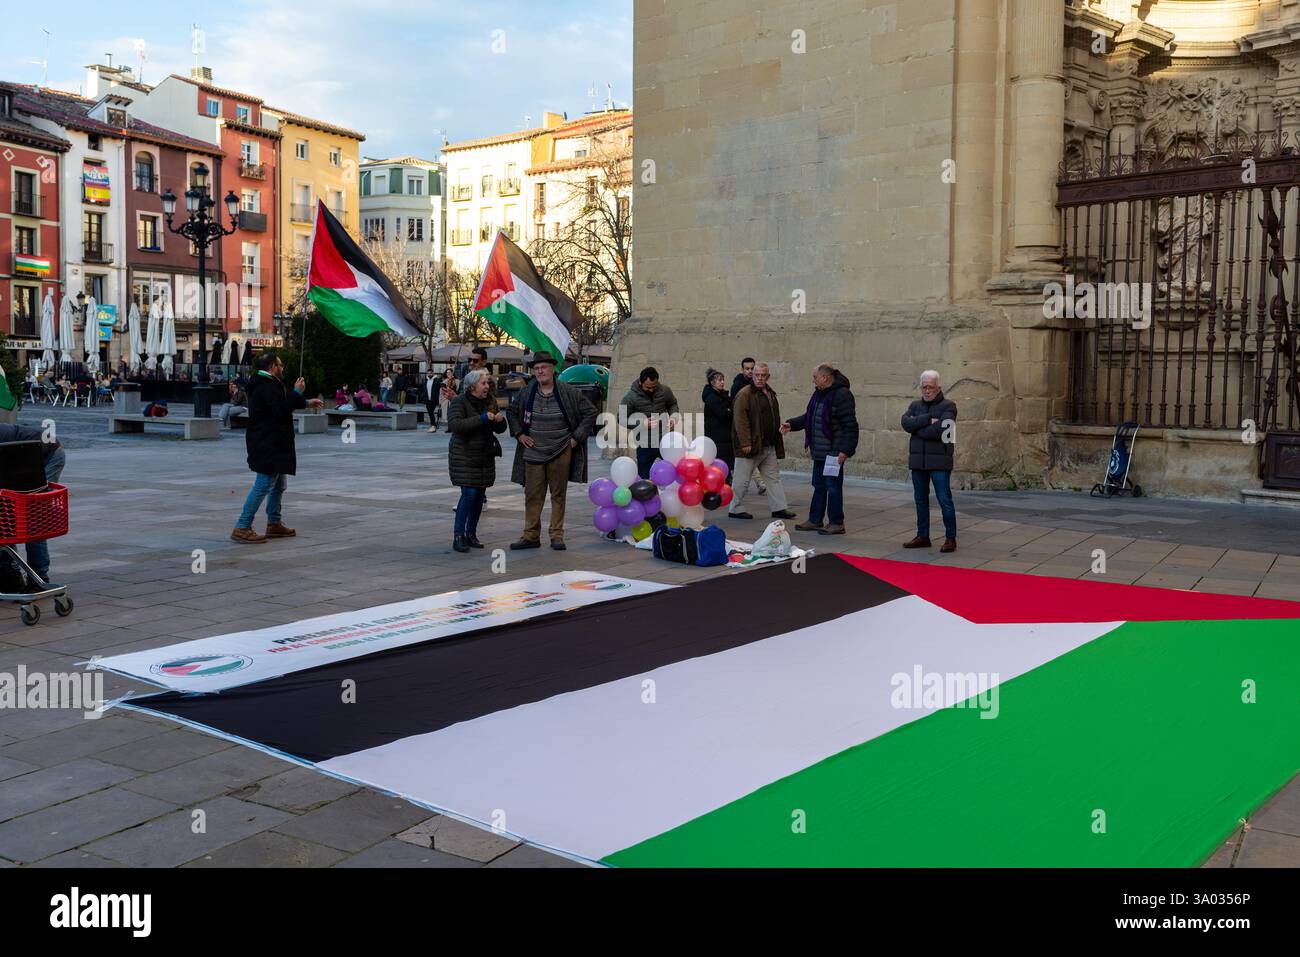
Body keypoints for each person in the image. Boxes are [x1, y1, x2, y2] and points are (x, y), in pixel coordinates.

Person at [506, 351, 597, 551]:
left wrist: (576, 438)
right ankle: (530, 535)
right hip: (532, 452)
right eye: (537, 368)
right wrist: (519, 434)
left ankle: (557, 535)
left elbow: (590, 411)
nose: (540, 371)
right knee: (532, 495)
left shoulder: (567, 391)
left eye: (544, 367)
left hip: (560, 450)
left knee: (558, 494)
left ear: (552, 369)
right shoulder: (527, 392)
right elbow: (511, 413)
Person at [231, 353, 324, 544]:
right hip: (268, 442)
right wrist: (297, 392)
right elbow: (281, 409)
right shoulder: (266, 384)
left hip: (273, 441)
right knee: (264, 483)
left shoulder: (265, 382)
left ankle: (274, 523)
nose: (282, 368)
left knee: (279, 484)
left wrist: (305, 402)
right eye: (280, 365)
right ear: (273, 366)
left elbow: (278, 404)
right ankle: (242, 526)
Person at [781, 363, 858, 535]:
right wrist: (792, 424)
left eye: (815, 377)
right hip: (819, 451)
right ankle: (815, 520)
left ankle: (837, 522)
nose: (813, 381)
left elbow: (850, 426)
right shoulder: (819, 393)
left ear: (825, 377)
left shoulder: (842, 395)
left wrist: (845, 451)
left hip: (833, 451)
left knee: (833, 487)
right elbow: (810, 416)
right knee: (818, 485)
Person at [447, 369, 508, 552]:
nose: (487, 386)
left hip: (484, 455)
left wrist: (499, 421)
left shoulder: (490, 401)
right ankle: (458, 536)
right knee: (469, 495)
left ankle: (471, 533)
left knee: (479, 496)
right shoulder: (459, 401)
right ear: (472, 386)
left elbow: (501, 429)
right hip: (464, 455)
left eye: (488, 383)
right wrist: (481, 418)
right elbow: (455, 425)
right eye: (483, 383)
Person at [728, 362, 795, 521]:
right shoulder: (744, 394)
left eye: (763, 375)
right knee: (741, 480)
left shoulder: (770, 392)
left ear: (768, 376)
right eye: (756, 375)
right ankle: (735, 508)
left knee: (773, 478)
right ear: (752, 375)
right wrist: (745, 442)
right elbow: (740, 420)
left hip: (768, 445)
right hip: (750, 446)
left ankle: (779, 508)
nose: (759, 378)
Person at [0, 422, 65, 583]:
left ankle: (38, 577)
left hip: (48, 455)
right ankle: (10, 575)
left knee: (34, 518)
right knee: (5, 519)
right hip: (21, 460)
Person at [901, 370, 958, 553]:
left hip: (940, 463)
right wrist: (926, 420)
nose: (927, 391)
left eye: (931, 387)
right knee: (920, 500)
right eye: (924, 387)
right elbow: (905, 423)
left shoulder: (949, 406)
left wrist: (916, 429)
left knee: (944, 500)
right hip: (919, 462)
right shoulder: (915, 405)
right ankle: (923, 536)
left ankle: (950, 538)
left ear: (938, 387)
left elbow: (943, 432)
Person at [622, 366, 679, 478]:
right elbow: (621, 418)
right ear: (640, 382)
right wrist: (642, 423)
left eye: (654, 387)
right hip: (644, 444)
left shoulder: (665, 390)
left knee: (674, 473)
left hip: (664, 441)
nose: (651, 390)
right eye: (648, 387)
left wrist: (673, 417)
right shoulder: (630, 397)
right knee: (643, 477)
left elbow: (672, 404)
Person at [701, 368, 735, 476]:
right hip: (717, 436)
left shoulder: (723, 395)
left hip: (725, 436)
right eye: (719, 380)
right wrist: (729, 411)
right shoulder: (711, 398)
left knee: (727, 465)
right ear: (712, 383)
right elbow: (723, 414)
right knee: (720, 464)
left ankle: (727, 485)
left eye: (723, 379)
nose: (722, 382)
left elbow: (731, 408)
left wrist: (729, 410)